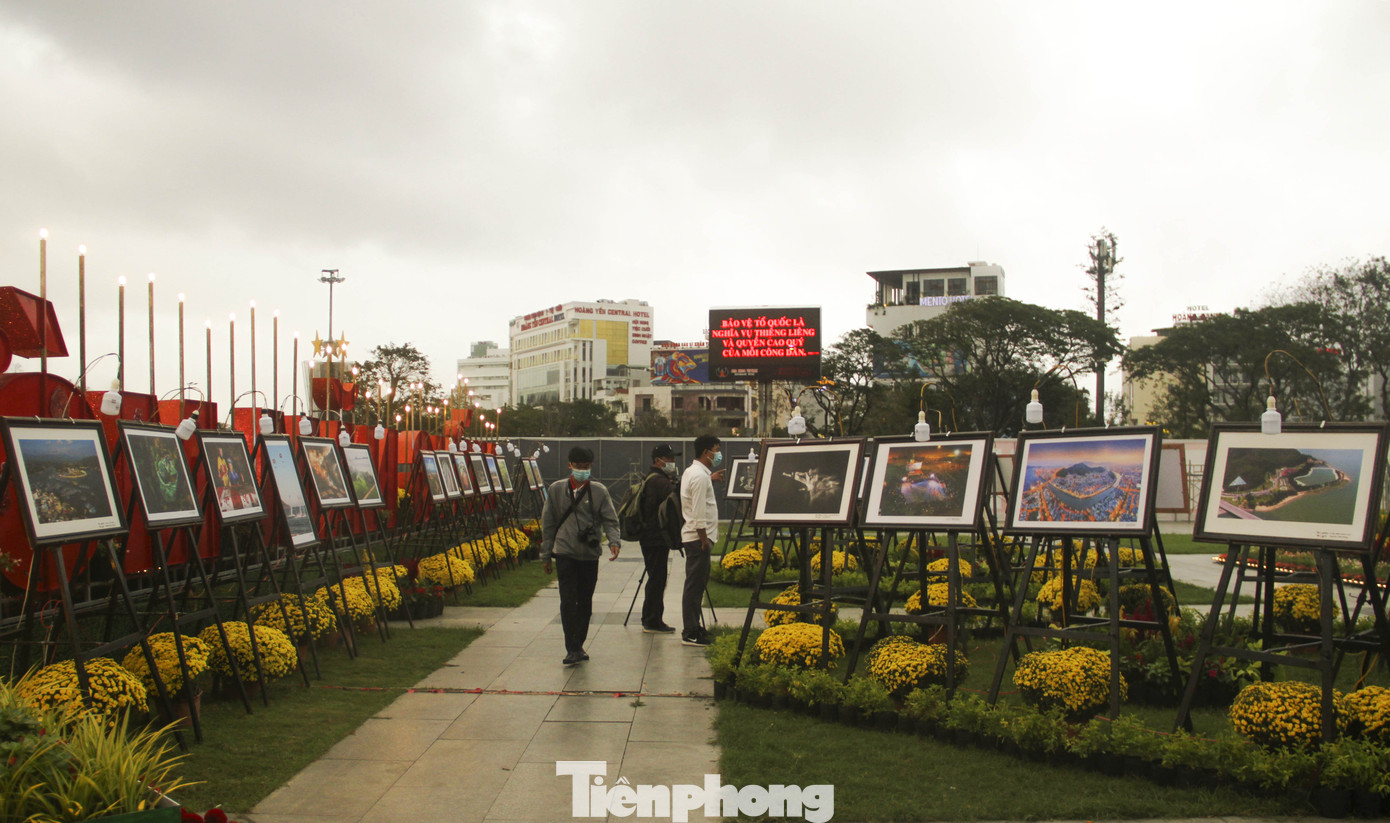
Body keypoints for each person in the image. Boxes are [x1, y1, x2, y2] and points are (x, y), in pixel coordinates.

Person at [540, 446, 622, 665]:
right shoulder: (557, 490)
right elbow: (548, 523)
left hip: (589, 554)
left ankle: (579, 643)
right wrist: (546, 555)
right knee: (568, 600)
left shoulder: (599, 491)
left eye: (586, 467)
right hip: (565, 552)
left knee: (585, 601)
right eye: (578, 467)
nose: (582, 471)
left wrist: (614, 541)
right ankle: (572, 647)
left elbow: (611, 520)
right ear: (570, 465)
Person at [679, 434, 724, 646]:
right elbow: (698, 511)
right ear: (706, 452)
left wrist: (711, 479)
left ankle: (694, 627)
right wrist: (703, 539)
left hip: (698, 538)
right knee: (694, 586)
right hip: (698, 539)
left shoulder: (696, 472)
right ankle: (690, 632)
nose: (718, 453)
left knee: (697, 585)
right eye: (716, 449)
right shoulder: (698, 476)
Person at [638, 444, 681, 633]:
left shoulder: (653, 478)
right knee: (657, 579)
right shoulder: (659, 481)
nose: (672, 462)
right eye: (669, 459)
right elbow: (677, 498)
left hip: (650, 537)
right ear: (658, 461)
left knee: (655, 577)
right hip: (655, 538)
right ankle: (652, 620)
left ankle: (651, 617)